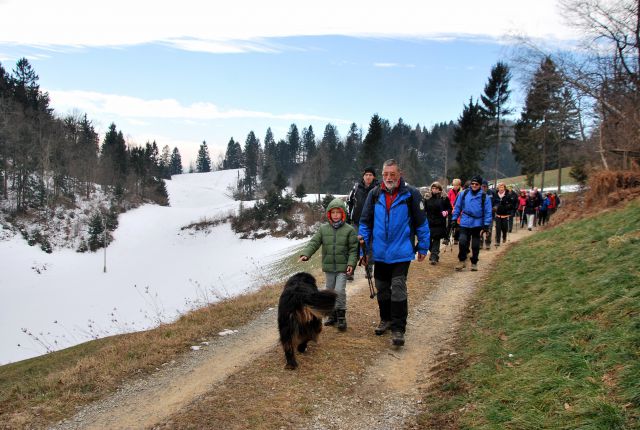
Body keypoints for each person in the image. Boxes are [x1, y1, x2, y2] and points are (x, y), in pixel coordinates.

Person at [358, 159, 430, 346]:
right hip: (379, 252)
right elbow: (365, 223)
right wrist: (363, 250)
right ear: (382, 175)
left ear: (400, 174)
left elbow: (422, 223)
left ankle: (398, 329)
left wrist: (423, 246)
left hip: (401, 251)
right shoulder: (374, 194)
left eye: (392, 174)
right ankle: (386, 319)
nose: (389, 178)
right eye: (385, 174)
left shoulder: (411, 194)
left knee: (398, 287)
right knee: (382, 288)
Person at [299, 198, 358, 331]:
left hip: (343, 268)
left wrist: (351, 264)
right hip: (329, 267)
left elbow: (354, 250)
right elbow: (314, 243)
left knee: (339, 291)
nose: (336, 215)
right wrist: (306, 254)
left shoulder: (349, 230)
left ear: (343, 213)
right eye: (333, 212)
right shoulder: (323, 229)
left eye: (338, 212)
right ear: (329, 214)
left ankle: (341, 317)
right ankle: (332, 315)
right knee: (329, 292)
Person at [451, 175, 493, 271]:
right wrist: (454, 219)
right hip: (465, 221)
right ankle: (462, 260)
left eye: (476, 184)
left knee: (475, 245)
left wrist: (486, 225)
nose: (474, 185)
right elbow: (457, 207)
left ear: (480, 185)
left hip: (477, 223)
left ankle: (474, 262)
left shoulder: (484, 197)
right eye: (472, 183)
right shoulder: (464, 194)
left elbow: (488, 212)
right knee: (462, 241)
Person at [346, 167, 379, 280]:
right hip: (356, 222)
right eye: (366, 175)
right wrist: (348, 217)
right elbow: (349, 203)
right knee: (354, 246)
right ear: (363, 176)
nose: (368, 176)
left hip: (372, 223)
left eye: (370, 174)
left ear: (374, 176)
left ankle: (368, 270)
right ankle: (350, 271)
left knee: (368, 246)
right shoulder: (356, 188)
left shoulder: (378, 189)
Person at [423, 182, 452, 265]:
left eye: (436, 188)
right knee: (427, 240)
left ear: (440, 189)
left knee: (436, 239)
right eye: (433, 188)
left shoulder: (444, 198)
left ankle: (434, 257)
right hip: (429, 222)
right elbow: (423, 209)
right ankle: (434, 254)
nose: (434, 190)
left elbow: (450, 208)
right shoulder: (427, 198)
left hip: (439, 222)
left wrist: (446, 212)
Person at [493, 182, 515, 246]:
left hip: (505, 215)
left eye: (502, 187)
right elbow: (493, 202)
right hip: (498, 214)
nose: (501, 188)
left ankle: (504, 236)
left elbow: (512, 204)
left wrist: (508, 206)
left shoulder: (508, 195)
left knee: (504, 228)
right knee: (498, 228)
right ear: (498, 188)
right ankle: (498, 241)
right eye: (500, 187)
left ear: (504, 188)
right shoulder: (495, 195)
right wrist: (494, 207)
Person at [478, 180, 494, 250]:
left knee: (489, 230)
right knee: (480, 230)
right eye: (482, 186)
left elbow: (497, 201)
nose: (483, 188)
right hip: (480, 216)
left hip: (489, 215)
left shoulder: (492, 193)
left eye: (485, 186)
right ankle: (480, 243)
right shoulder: (478, 194)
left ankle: (488, 243)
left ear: (487, 187)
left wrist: (495, 207)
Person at [447, 178, 462, 244]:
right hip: (451, 210)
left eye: (456, 185)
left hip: (459, 211)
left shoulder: (462, 192)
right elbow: (448, 200)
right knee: (450, 224)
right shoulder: (450, 191)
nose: (455, 187)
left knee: (458, 226)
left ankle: (456, 238)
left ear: (459, 185)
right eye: (454, 185)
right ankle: (447, 238)